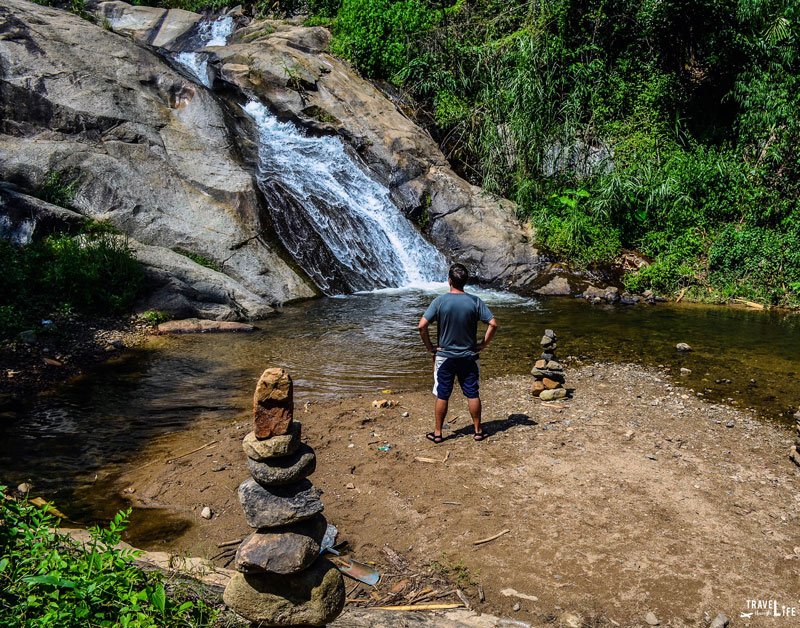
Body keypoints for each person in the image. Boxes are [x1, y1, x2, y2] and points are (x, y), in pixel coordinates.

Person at [417, 263, 498, 443]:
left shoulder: (439, 301)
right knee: (472, 393)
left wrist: (430, 347)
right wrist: (483, 344)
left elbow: (422, 326)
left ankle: (438, 433)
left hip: (445, 356)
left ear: (449, 281)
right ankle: (478, 431)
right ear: (465, 282)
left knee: (442, 393)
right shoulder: (475, 301)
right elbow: (493, 324)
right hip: (469, 356)